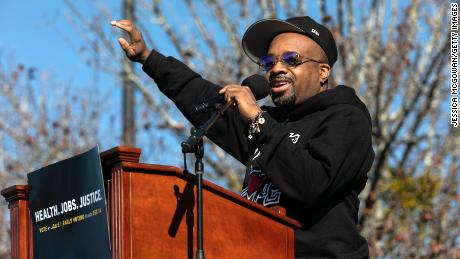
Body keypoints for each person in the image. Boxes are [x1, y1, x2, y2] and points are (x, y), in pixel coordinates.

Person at [112, 16, 374, 259]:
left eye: (291, 59)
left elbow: (313, 183)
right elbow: (203, 98)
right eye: (269, 63)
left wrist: (258, 120)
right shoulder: (269, 124)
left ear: (323, 72)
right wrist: (149, 58)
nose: (276, 69)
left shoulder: (346, 118)